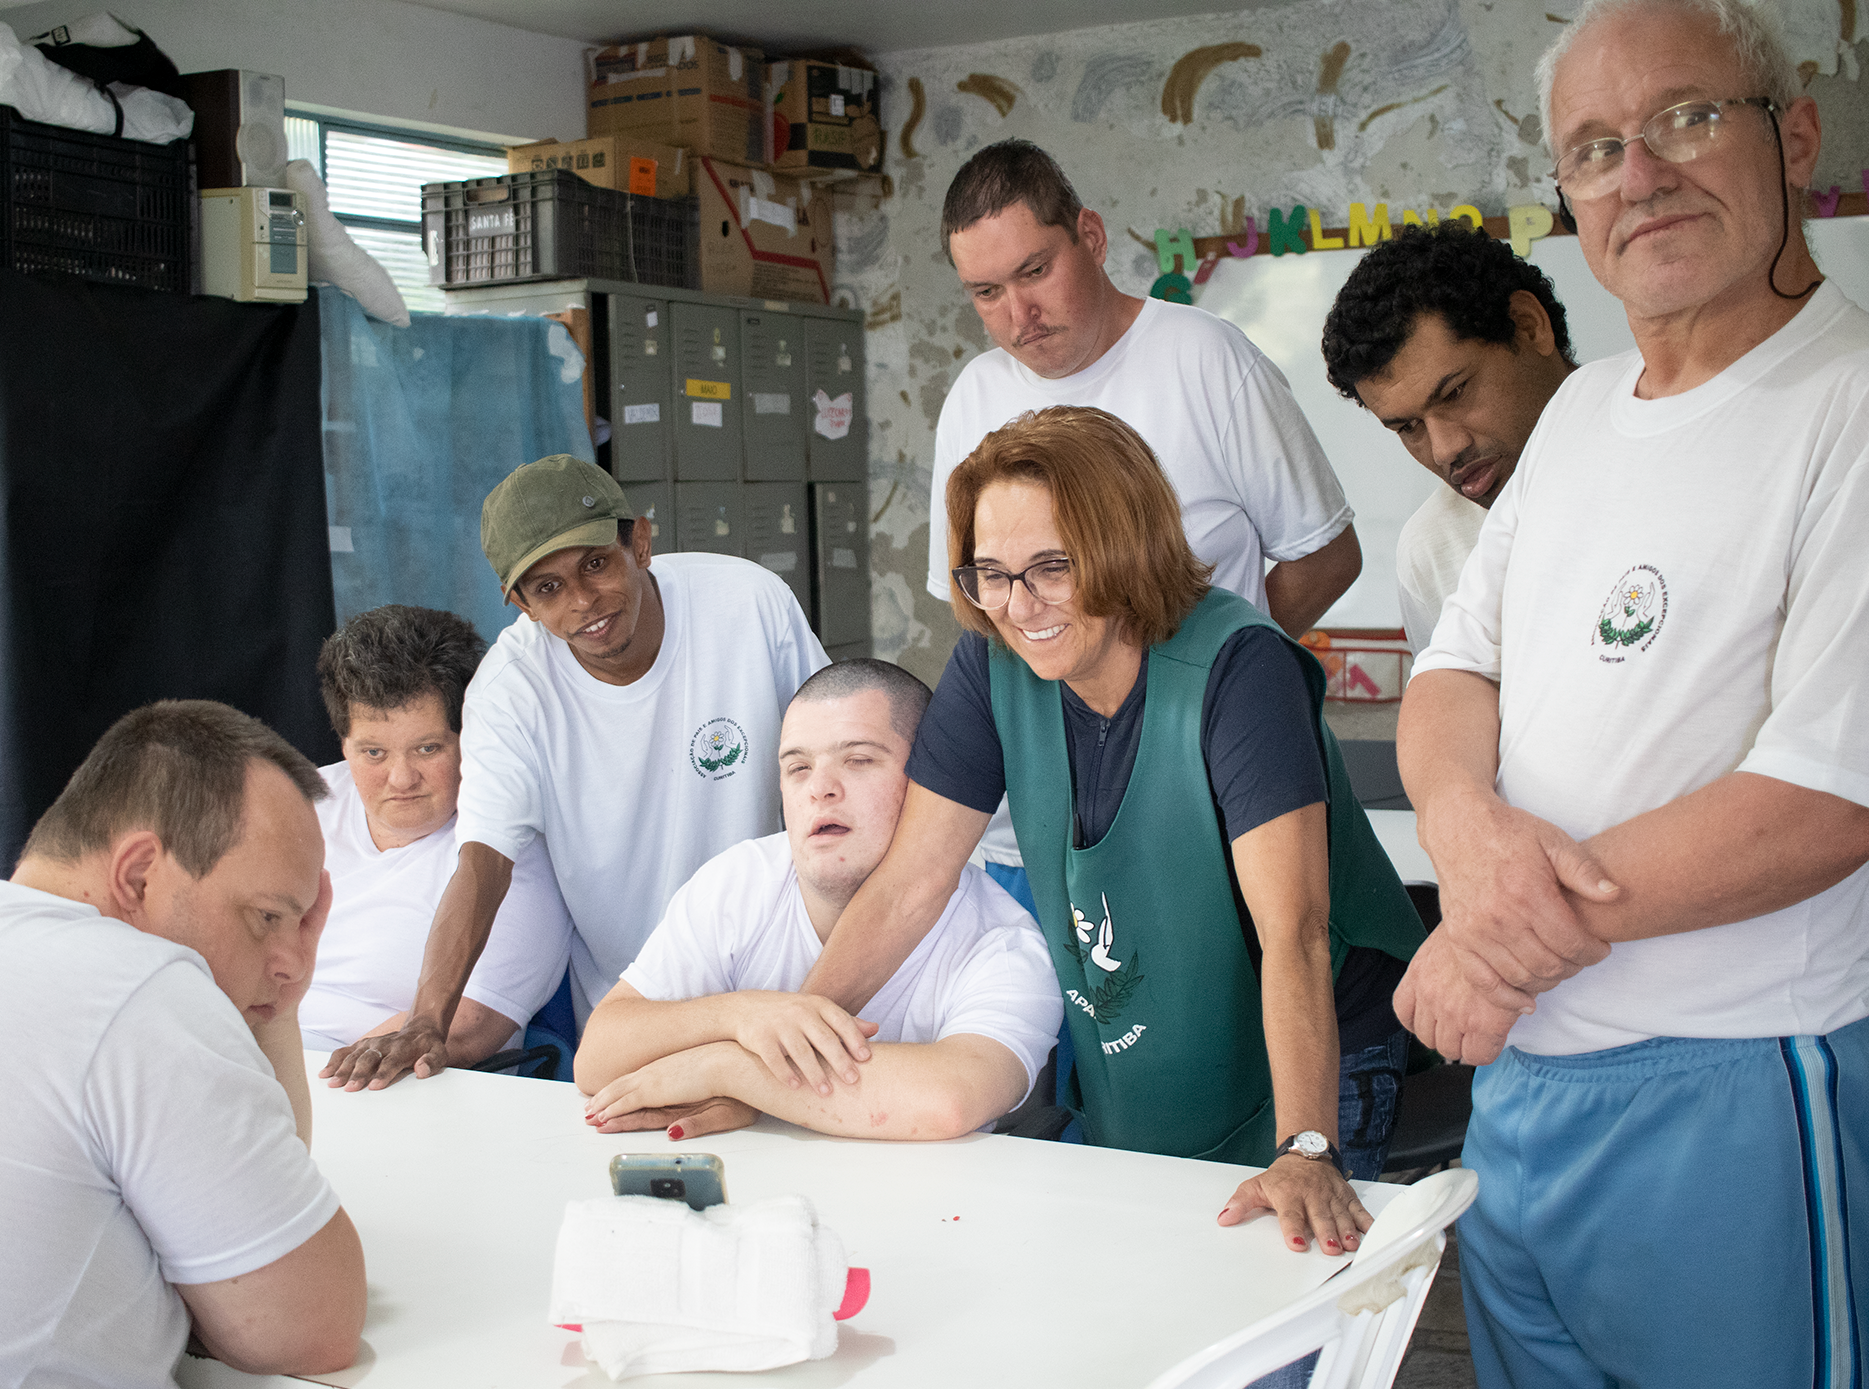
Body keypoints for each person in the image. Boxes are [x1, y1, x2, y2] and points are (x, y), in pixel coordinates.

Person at [1399, 2, 1869, 1384]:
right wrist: (1467, 838)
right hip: (1523, 1094)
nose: (1641, 173)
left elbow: (1837, 798)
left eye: (1686, 117)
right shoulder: (1579, 412)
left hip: (1737, 1091)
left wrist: (1491, 938)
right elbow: (1455, 675)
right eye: (1597, 146)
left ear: (1792, 136)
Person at [804, 406, 1425, 1256]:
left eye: (1052, 567)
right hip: (1154, 1044)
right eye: (992, 572)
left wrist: (1307, 1148)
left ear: (1123, 547)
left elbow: (1298, 932)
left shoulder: (1240, 671)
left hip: (1317, 1055)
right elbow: (912, 880)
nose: (1020, 606)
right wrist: (788, 1039)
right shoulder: (991, 663)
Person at [0, 701, 366, 1384]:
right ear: (137, 876)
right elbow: (307, 1328)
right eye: (267, 915)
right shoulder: (141, 983)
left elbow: (248, 1202)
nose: (290, 956)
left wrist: (276, 986)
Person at [929, 138, 1363, 892]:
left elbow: (1326, 553)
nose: (1018, 315)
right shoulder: (973, 393)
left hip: (1197, 802)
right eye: (986, 292)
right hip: (1033, 834)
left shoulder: (1207, 357)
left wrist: (1199, 688)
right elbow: (976, 609)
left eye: (1035, 271)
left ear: (1089, 238)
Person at [324, 454, 829, 1091]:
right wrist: (428, 1021)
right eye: (547, 587)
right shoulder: (509, 694)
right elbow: (483, 864)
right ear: (520, 603)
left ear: (638, 543)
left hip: (789, 973)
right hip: (637, 1008)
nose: (584, 601)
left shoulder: (746, 603)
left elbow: (829, 754)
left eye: (595, 563)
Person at [574, 660, 1062, 1141]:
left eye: (859, 760)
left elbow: (949, 1102)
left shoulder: (1002, 941)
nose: (820, 789)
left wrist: (723, 1066)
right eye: (798, 768)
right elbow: (597, 1059)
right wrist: (740, 1015)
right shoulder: (737, 883)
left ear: (929, 783)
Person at [300, 603, 575, 1064]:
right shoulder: (296, 805)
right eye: (373, 753)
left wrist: (315, 1080)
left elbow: (473, 1025)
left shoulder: (511, 852)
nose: (401, 778)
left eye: (427, 748)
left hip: (370, 1089)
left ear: (470, 737)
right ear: (341, 740)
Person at [1319, 223, 1577, 653]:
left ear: (1529, 327)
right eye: (1408, 428)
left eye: (1455, 393)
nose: (1444, 450)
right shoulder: (1432, 552)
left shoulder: (1685, 453)